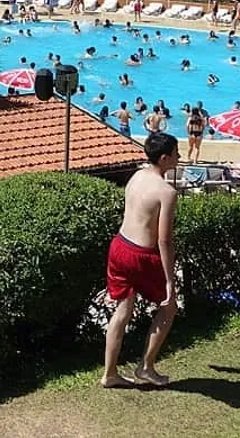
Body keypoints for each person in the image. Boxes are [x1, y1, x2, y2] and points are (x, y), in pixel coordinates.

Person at [101, 131, 179, 388]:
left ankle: (110, 374)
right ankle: (146, 367)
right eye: (176, 153)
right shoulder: (166, 192)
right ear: (166, 158)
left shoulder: (136, 176)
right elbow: (164, 240)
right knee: (168, 306)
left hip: (119, 246)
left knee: (122, 310)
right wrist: (170, 280)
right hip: (141, 255)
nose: (179, 156)